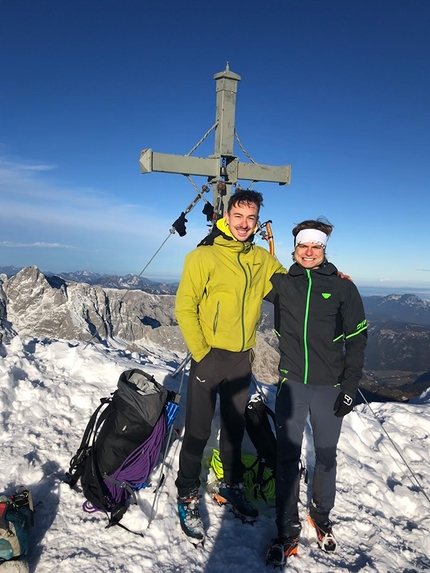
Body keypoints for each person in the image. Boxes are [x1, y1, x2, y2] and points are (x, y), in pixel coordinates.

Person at [174, 189, 286, 543]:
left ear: (256, 223)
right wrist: (201, 352)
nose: (244, 224)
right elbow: (184, 307)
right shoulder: (202, 257)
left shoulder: (260, 259)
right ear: (226, 215)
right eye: (238, 216)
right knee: (198, 431)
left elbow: (289, 288)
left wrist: (328, 279)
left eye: (251, 218)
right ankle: (187, 494)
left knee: (234, 430)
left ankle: (232, 485)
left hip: (242, 358)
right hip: (211, 356)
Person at [265, 219, 367, 567]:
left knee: (326, 455)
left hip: (330, 385)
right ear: (294, 249)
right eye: (303, 246)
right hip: (292, 382)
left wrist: (351, 386)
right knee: (286, 458)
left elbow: (357, 338)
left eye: (316, 247)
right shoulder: (281, 283)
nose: (309, 252)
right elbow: (242, 273)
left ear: (324, 250)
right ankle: (286, 527)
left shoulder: (343, 289)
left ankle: (321, 516)